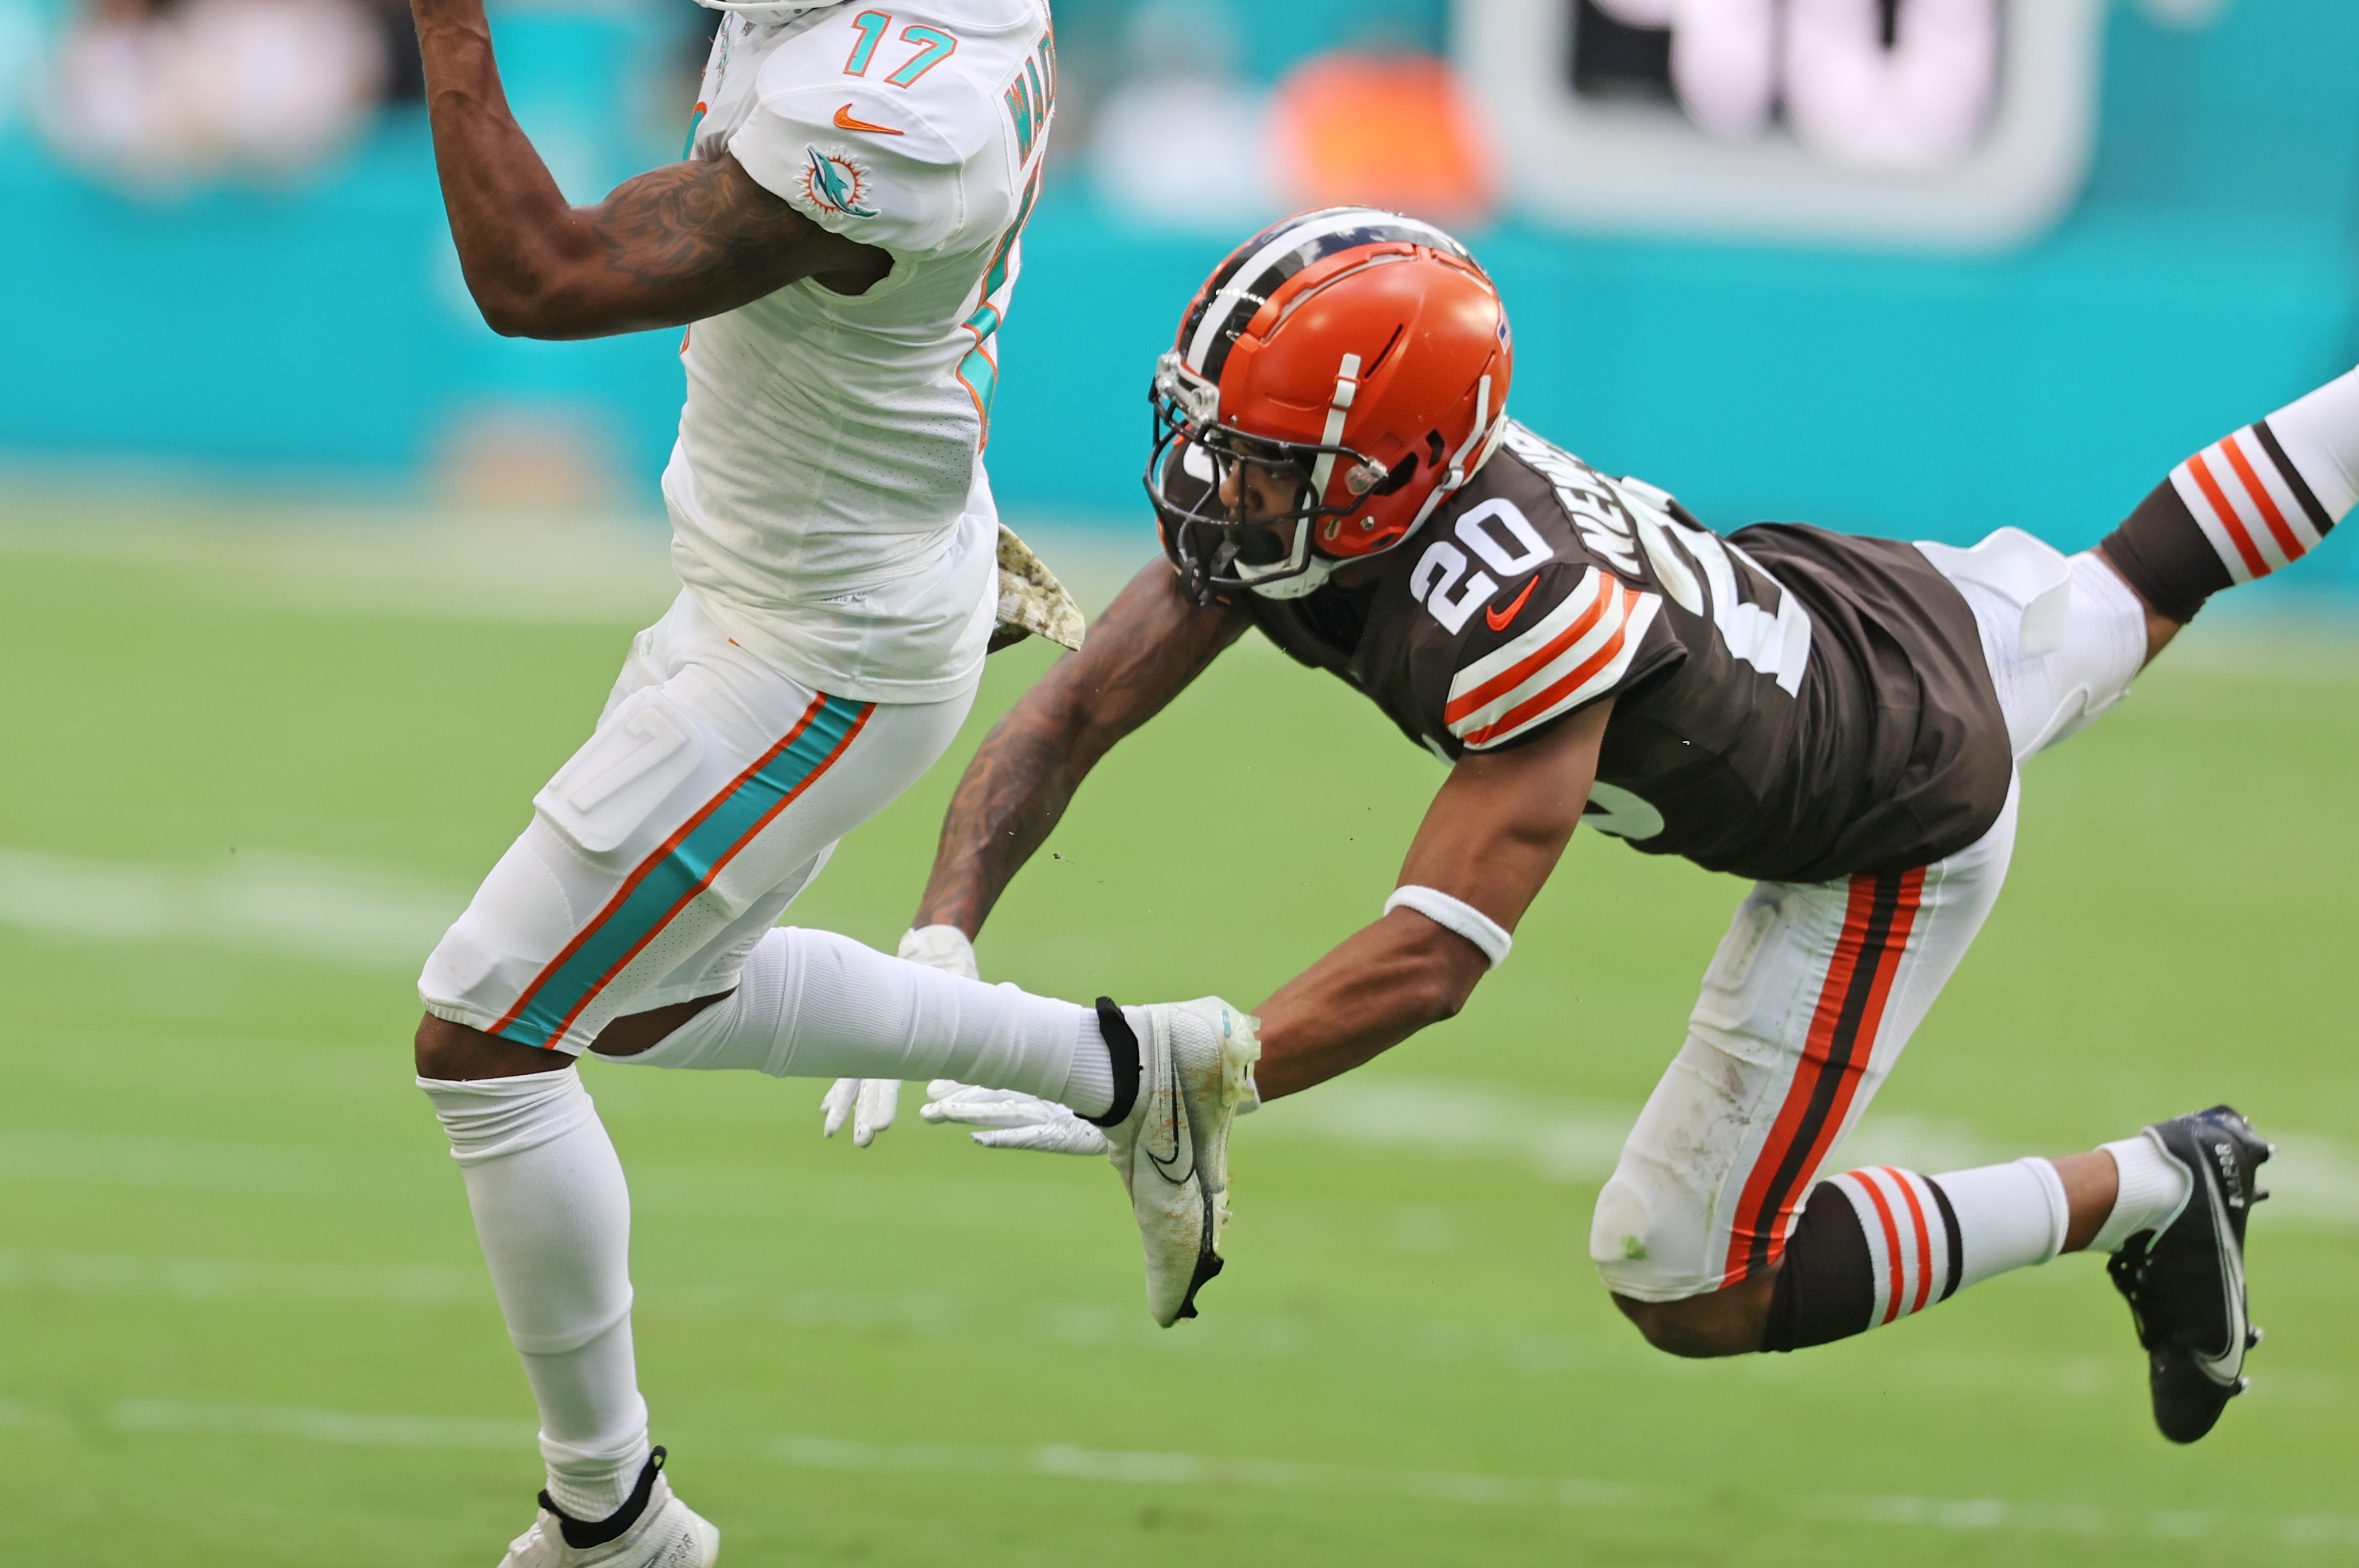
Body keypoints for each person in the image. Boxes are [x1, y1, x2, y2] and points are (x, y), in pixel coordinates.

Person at [856, 208, 2339, 1448]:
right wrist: (943, 929)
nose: (1213, 480)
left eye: (1262, 456)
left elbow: (1431, 955)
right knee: (2142, 576)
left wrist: (1207, 1071)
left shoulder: (1514, 611)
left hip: (1884, 814)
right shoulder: (1335, 498)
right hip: (1888, 606)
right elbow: (1069, 714)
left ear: (1393, 472)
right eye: (1212, 431)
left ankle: (2148, 1187)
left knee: (1686, 1277)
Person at [342, 0, 1257, 1568]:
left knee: (489, 1039)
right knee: (643, 1004)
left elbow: (544, 279)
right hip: (813, 583)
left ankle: (615, 1520)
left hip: (822, 646)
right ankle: (1129, 1062)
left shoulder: (894, 112)